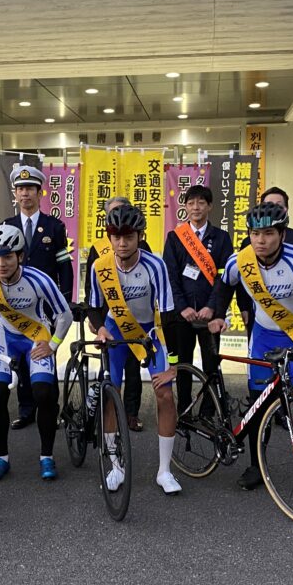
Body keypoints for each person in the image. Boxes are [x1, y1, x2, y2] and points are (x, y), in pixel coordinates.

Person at [209, 202, 293, 495]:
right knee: (258, 405)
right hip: (263, 338)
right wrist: (217, 314)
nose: (260, 240)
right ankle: (256, 466)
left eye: (268, 234)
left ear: (282, 234)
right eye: (255, 234)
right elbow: (224, 285)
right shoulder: (241, 261)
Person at [0, 224, 72, 481]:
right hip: (5, 337)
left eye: (7, 257)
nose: (0, 264)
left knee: (43, 394)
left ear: (20, 256)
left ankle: (46, 457)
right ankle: (2, 458)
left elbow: (65, 315)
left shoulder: (39, 280)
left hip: (36, 336)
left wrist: (53, 345)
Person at [86, 204, 182, 495]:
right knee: (111, 394)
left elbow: (169, 314)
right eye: (116, 236)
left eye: (128, 236)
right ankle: (116, 467)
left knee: (165, 394)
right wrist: (100, 328)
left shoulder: (155, 265)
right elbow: (93, 307)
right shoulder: (100, 267)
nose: (122, 243)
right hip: (115, 331)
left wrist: (173, 364)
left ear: (140, 236)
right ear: (109, 237)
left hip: (150, 332)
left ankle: (164, 471)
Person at [1, 165, 74, 431]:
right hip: (17, 306)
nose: (25, 194)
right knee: (21, 361)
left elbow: (64, 267)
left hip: (46, 307)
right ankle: (26, 409)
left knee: (46, 355)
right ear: (15, 194)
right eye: (20, 189)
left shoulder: (54, 226)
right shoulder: (6, 226)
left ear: (39, 192)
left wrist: (64, 301)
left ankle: (50, 409)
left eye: (30, 189)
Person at [162, 184, 233, 416]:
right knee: (183, 364)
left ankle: (208, 411)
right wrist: (182, 307)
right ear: (185, 206)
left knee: (211, 365)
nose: (196, 207)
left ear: (209, 206)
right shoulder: (175, 237)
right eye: (191, 203)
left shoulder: (221, 238)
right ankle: (184, 410)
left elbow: (224, 278)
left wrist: (212, 306)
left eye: (201, 202)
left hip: (209, 315)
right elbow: (170, 275)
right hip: (182, 316)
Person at [85, 196, 151, 431]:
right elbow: (90, 288)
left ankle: (131, 413)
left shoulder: (142, 247)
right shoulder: (98, 249)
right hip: (109, 316)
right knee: (111, 371)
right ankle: (108, 417)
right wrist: (95, 320)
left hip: (137, 319)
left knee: (133, 369)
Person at [235, 187, 293, 333]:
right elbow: (241, 277)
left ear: (286, 210)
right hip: (260, 313)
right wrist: (243, 307)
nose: (261, 240)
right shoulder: (248, 243)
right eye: (268, 205)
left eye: (278, 205)